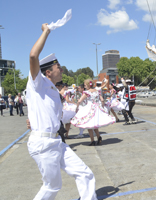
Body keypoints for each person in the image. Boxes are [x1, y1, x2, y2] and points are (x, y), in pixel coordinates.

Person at [26, 23, 97, 199]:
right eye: (59, 67)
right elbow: (33, 55)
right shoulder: (38, 83)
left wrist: (78, 105)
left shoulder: (52, 90)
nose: (62, 69)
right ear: (48, 72)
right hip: (44, 145)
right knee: (52, 186)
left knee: (85, 173)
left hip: (57, 142)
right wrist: (46, 31)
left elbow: (60, 117)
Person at [71, 79, 115, 145]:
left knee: (89, 125)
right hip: (97, 108)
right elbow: (102, 100)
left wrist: (77, 107)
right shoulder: (97, 91)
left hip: (90, 108)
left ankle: (92, 141)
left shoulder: (87, 92)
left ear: (88, 85)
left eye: (85, 85)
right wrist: (102, 107)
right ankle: (98, 137)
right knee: (94, 125)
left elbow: (80, 101)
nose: (85, 86)